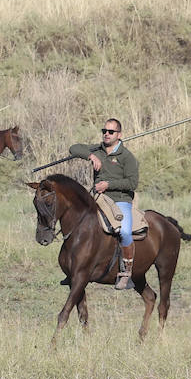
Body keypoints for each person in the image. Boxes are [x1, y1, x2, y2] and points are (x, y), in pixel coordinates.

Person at [69, 118, 139, 290]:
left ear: (119, 135)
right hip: (97, 198)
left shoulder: (127, 157)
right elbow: (74, 148)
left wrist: (109, 184)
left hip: (119, 199)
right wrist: (90, 155)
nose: (106, 134)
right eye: (104, 131)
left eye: (111, 132)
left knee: (124, 232)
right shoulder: (97, 149)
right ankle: (76, 268)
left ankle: (126, 273)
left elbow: (132, 183)